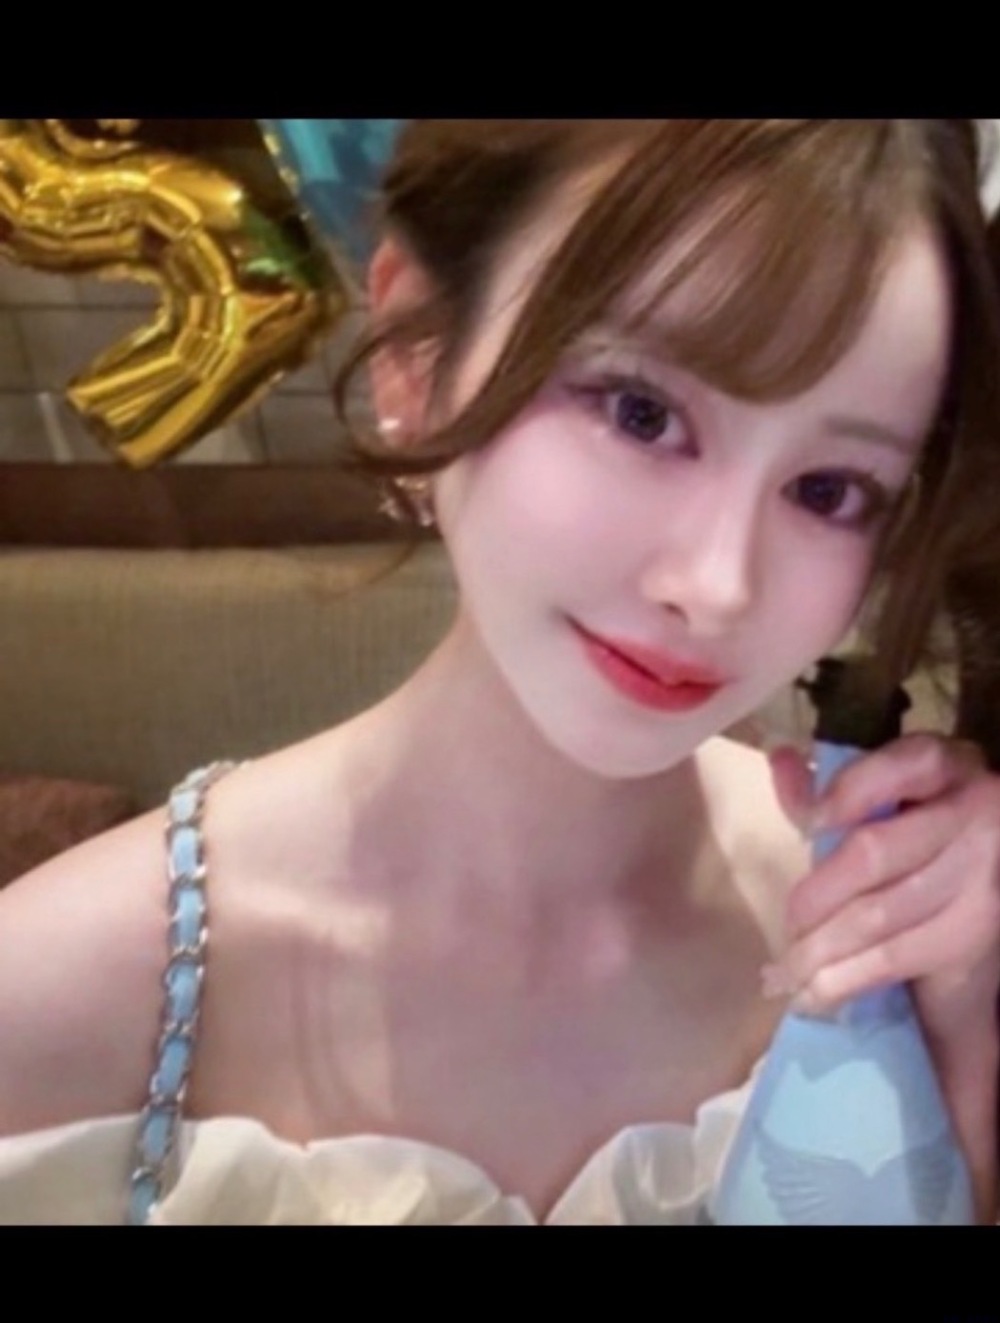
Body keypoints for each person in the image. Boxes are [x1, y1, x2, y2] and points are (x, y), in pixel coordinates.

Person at [0, 119, 998, 1225]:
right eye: (641, 412)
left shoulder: (898, 938)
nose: (718, 585)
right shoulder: (52, 997)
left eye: (831, 490)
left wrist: (968, 1031)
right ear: (416, 351)